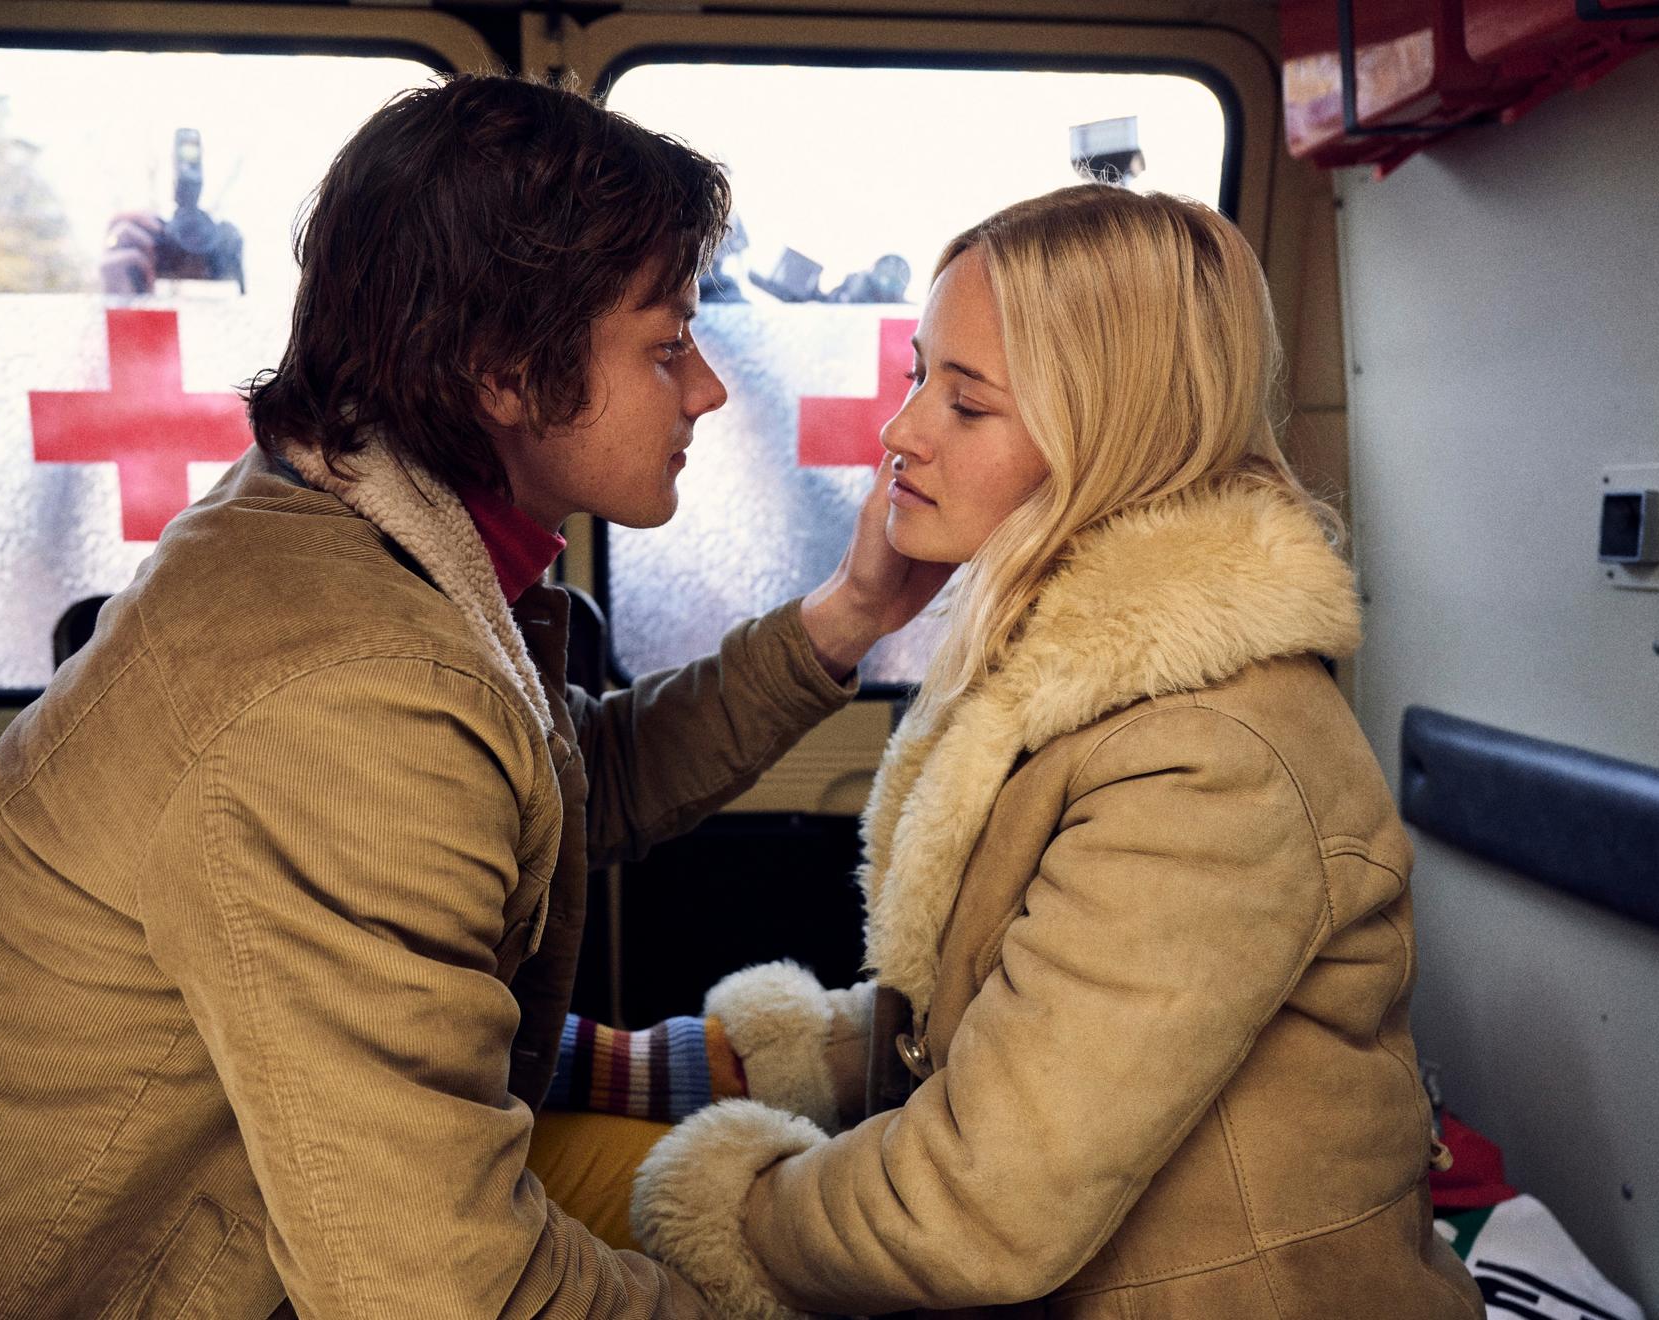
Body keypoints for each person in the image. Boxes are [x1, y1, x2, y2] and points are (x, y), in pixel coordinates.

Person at [0, 74, 950, 1317]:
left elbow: (561, 788)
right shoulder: (350, 685)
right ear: (502, 369)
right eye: (666, 346)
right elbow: (444, 1290)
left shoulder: (347, 520)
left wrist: (850, 614)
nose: (706, 388)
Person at [625, 184, 1487, 1319]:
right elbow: (1006, 1013)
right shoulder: (1069, 681)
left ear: (1112, 439)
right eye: (917, 379)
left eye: (966, 403)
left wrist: (734, 1210)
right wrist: (777, 1056)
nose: (900, 432)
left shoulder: (1203, 758)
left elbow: (981, 1203)